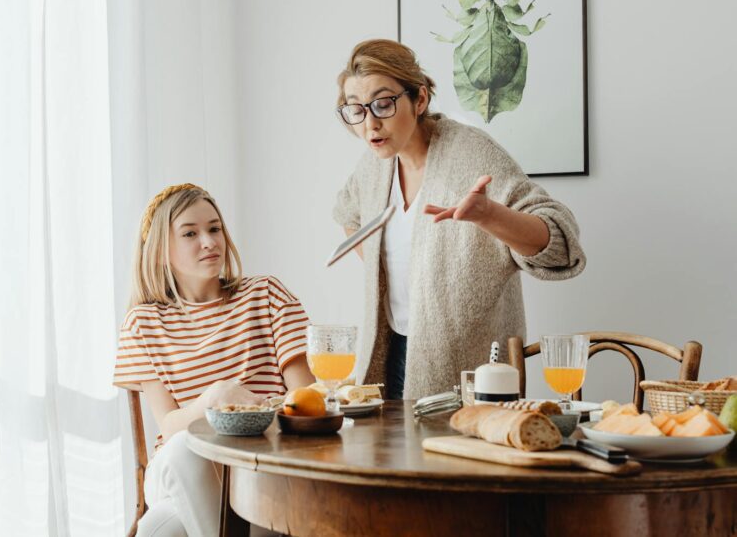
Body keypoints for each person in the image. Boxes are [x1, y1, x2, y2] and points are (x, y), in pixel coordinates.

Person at [332, 39, 586, 401]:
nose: (370, 123)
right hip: (390, 353)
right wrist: (386, 269)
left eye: (383, 103)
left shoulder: (471, 155)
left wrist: (490, 215)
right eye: (356, 109)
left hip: (470, 367)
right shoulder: (374, 166)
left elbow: (561, 245)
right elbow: (348, 214)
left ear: (419, 99)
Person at [113, 183, 314, 537]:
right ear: (161, 250)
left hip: (260, 463)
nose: (209, 241)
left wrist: (252, 415)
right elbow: (170, 425)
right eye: (190, 233)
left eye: (214, 228)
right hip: (181, 467)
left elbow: (307, 398)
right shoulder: (143, 323)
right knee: (183, 452)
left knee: (160, 533)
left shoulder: (266, 294)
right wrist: (213, 400)